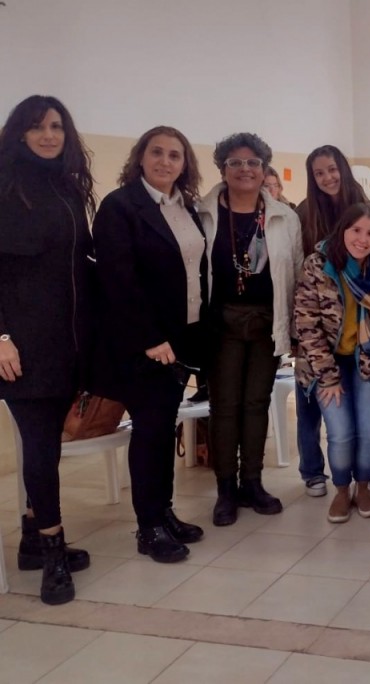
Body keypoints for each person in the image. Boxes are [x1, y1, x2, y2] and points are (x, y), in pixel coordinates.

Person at [92, 126, 208, 564]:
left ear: (184, 163)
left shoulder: (186, 206)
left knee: (163, 428)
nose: (165, 161)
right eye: (156, 152)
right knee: (150, 431)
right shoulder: (120, 206)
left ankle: (165, 512)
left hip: (181, 338)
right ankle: (149, 527)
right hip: (144, 343)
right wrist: (150, 339)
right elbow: (117, 280)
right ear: (140, 157)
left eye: (175, 155)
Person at [0, 95, 95, 605]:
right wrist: (0, 337)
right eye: (37, 126)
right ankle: (53, 554)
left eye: (56, 126)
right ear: (20, 132)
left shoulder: (67, 187)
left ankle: (32, 541)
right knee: (39, 448)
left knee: (48, 447)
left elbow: (80, 264)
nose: (48, 135)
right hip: (21, 346)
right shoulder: (4, 186)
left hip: (67, 341)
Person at [198, 132, 303, 527]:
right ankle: (226, 489)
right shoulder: (202, 212)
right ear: (222, 169)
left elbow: (295, 273)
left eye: (253, 163)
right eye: (235, 162)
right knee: (224, 406)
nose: (245, 169)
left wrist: (294, 330)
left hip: (266, 322)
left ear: (264, 169)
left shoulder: (284, 217)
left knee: (256, 404)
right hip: (220, 323)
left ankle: (252, 482)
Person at [294, 203, 370, 523]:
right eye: (356, 230)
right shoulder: (318, 264)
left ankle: (363, 485)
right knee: (340, 431)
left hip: (368, 358)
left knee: (369, 429)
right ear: (342, 230)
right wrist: (328, 376)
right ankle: (342, 489)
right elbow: (307, 323)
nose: (362, 239)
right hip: (325, 363)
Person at [294, 145, 368, 498]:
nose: (327, 177)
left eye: (332, 169)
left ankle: (361, 472)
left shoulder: (362, 203)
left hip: (354, 323)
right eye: (319, 173)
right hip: (313, 321)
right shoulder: (305, 212)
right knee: (309, 402)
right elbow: (300, 269)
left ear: (343, 168)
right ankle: (312, 470)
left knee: (355, 409)